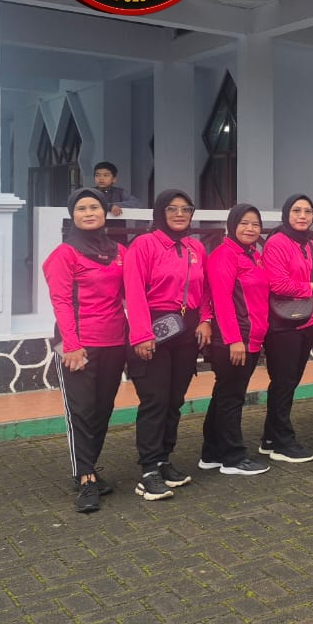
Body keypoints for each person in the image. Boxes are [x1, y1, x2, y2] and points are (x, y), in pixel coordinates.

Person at [42, 187, 128, 514]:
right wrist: (72, 345)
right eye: (81, 208)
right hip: (78, 345)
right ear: (73, 215)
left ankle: (88, 467)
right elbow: (61, 301)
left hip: (114, 341)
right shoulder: (64, 254)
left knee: (102, 409)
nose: (89, 213)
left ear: (105, 212)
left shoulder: (119, 252)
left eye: (94, 207)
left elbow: (132, 292)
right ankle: (86, 478)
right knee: (81, 411)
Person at [124, 189, 212, 501]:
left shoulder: (194, 247)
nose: (179, 214)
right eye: (172, 209)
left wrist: (205, 319)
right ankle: (148, 470)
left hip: (186, 331)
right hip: (154, 330)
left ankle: (163, 459)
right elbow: (134, 290)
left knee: (175, 399)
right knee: (155, 400)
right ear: (161, 212)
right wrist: (141, 334)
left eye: (185, 209)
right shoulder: (144, 245)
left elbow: (205, 289)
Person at [202, 204, 271, 476]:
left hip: (251, 337)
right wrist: (234, 340)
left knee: (224, 395)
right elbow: (221, 301)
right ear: (232, 225)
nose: (250, 229)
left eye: (255, 224)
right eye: (244, 223)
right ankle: (233, 458)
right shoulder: (224, 255)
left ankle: (211, 453)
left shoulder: (253, 255)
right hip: (234, 340)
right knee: (231, 398)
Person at [260, 194, 313, 463]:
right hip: (283, 325)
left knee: (289, 382)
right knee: (283, 382)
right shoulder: (277, 242)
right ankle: (282, 443)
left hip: (306, 322)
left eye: (308, 211)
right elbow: (277, 283)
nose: (302, 216)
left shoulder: (311, 244)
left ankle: (270, 438)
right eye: (297, 210)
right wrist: (312, 287)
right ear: (287, 214)